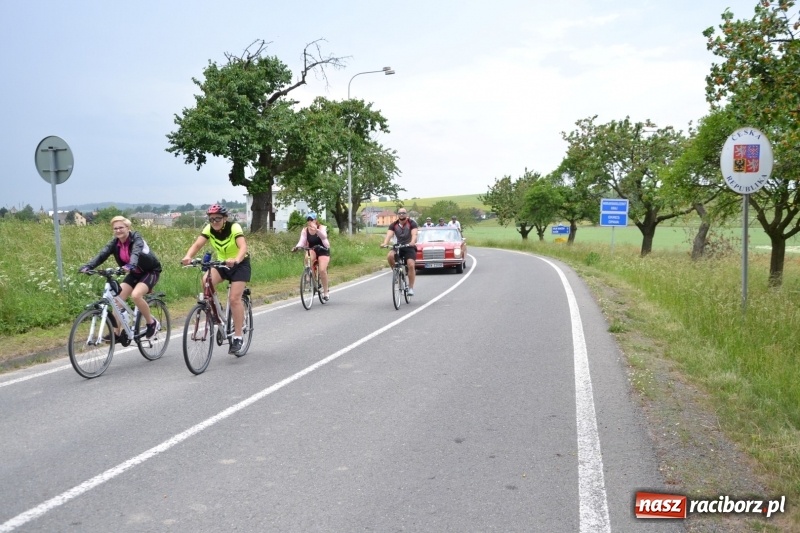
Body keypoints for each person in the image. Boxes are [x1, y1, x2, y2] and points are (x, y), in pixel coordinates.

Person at [181, 204, 250, 354]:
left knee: (234, 299)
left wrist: (236, 259)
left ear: (225, 218)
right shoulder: (209, 229)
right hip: (221, 263)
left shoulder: (234, 227)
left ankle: (238, 337)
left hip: (239, 264)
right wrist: (188, 256)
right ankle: (216, 310)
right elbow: (198, 244)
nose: (214, 222)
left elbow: (243, 247)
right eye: (211, 219)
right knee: (206, 280)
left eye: (218, 218)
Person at [79, 216, 162, 341]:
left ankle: (151, 323)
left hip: (150, 271)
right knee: (116, 299)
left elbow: (135, 252)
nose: (118, 231)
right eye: (115, 228)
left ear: (128, 228)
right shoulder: (115, 243)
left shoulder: (136, 239)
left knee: (136, 295)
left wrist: (130, 265)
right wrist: (88, 266)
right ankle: (116, 333)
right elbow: (102, 254)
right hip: (134, 273)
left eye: (121, 228)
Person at [291, 212, 331, 301]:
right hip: (312, 249)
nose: (309, 222)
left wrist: (316, 230)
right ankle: (309, 276)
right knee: (307, 257)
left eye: (311, 220)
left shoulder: (322, 228)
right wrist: (297, 247)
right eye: (308, 220)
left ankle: (326, 291)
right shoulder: (305, 230)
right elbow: (302, 241)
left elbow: (324, 237)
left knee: (322, 270)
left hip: (323, 249)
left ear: (316, 220)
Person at [380, 208, 418, 296]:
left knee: (411, 265)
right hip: (398, 246)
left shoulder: (411, 223)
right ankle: (395, 272)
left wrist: (412, 242)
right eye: (400, 213)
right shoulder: (394, 225)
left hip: (409, 246)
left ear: (406, 214)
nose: (402, 215)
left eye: (403, 213)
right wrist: (385, 243)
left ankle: (411, 288)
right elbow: (389, 235)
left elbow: (414, 234)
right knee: (390, 256)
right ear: (398, 215)